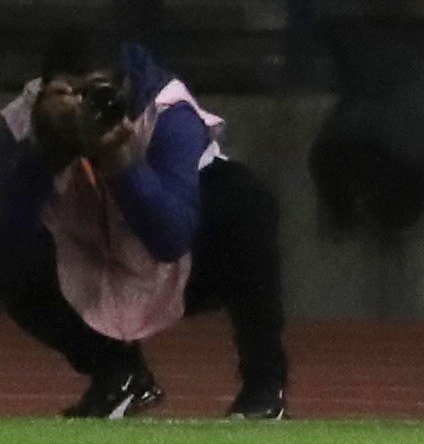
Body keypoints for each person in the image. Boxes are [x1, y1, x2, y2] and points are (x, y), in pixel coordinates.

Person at [0, 29, 288, 419]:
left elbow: (171, 238)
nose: (84, 107)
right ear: (43, 90)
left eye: (96, 93)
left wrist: (120, 160)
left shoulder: (167, 110)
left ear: (122, 86)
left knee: (245, 198)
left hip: (179, 264)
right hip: (86, 261)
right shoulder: (23, 120)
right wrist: (44, 153)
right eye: (70, 95)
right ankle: (118, 374)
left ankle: (265, 385)